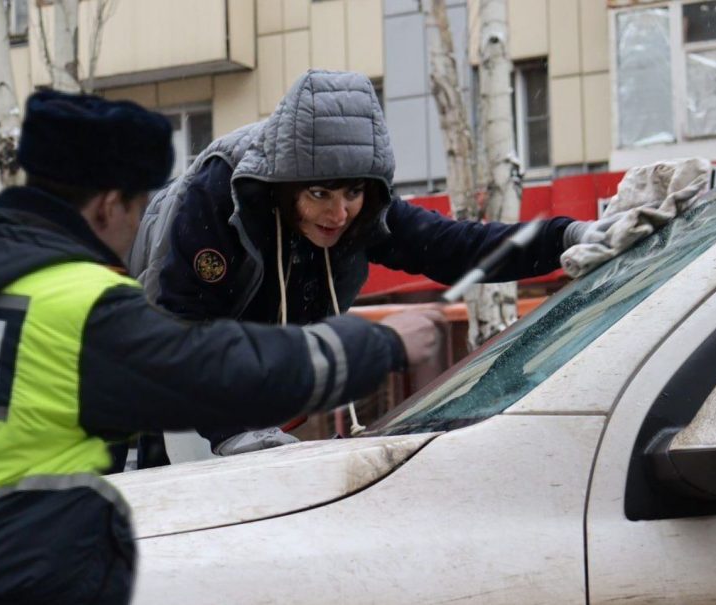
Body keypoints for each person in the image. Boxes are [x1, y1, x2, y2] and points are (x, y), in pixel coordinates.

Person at [0, 89, 442, 604]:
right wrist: (374, 343)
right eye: (140, 208)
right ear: (109, 204)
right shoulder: (79, 305)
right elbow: (216, 372)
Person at [130, 70, 608, 459]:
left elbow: (456, 246)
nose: (338, 214)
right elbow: (179, 322)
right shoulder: (217, 197)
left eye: (352, 193)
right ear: (283, 186)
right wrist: (232, 430)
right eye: (319, 194)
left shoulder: (364, 215)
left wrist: (568, 235)